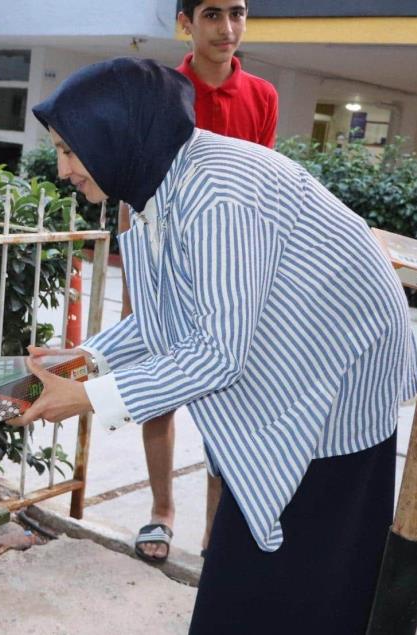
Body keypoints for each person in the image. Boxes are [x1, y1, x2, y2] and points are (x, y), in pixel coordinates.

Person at [18, 57, 417, 634]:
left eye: (70, 150)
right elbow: (173, 317)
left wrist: (85, 399)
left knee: (309, 572)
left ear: (117, 134)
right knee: (254, 560)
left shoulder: (215, 195)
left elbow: (215, 353)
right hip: (289, 363)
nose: (63, 169)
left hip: (337, 376)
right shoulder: (159, 183)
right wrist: (85, 362)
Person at [131, 0, 279, 565]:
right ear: (187, 23)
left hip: (230, 272)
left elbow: (263, 190)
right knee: (158, 394)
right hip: (166, 264)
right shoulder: (159, 88)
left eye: (237, 13)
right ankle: (161, 509)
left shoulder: (262, 96)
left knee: (229, 396)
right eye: (213, 14)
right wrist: (140, 285)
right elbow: (134, 180)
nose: (228, 27)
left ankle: (218, 536)